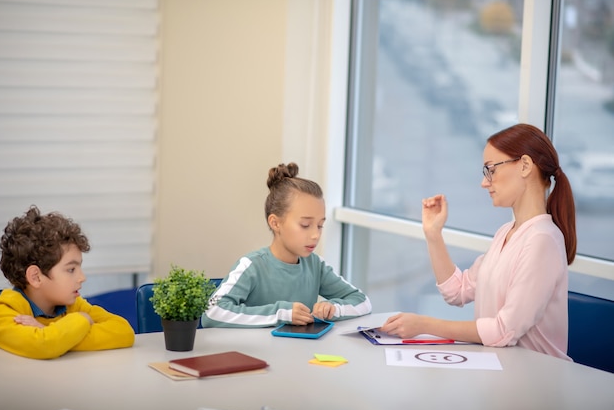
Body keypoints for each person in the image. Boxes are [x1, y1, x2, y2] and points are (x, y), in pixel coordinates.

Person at [380, 123, 576, 360]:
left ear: (525, 165)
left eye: (490, 170)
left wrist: (425, 324)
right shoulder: (506, 233)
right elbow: (458, 291)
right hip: (500, 369)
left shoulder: (542, 240)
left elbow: (504, 331)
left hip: (533, 379)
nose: (485, 182)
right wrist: (433, 234)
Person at [202, 162, 372, 328]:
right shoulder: (251, 266)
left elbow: (363, 302)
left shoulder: (315, 265)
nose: (315, 235)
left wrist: (334, 309)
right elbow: (212, 313)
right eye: (305, 225)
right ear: (275, 223)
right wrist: (282, 314)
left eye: (320, 225)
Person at [0, 206, 135, 359]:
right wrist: (83, 319)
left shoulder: (73, 305)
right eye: (71, 269)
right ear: (36, 277)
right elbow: (44, 346)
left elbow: (124, 332)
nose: (82, 277)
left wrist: (52, 333)